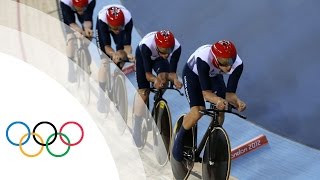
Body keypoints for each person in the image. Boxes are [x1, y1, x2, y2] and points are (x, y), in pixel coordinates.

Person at [172, 40, 247, 161]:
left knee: (220, 110)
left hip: (213, 75)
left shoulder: (238, 65)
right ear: (215, 58)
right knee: (198, 111)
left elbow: (230, 94)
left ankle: (212, 141)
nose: (228, 67)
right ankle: (179, 140)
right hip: (193, 75)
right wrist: (217, 100)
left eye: (230, 61)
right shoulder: (204, 58)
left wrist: (238, 102)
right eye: (224, 62)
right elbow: (206, 94)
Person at [132, 30, 183, 147]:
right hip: (143, 57)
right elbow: (148, 75)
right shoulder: (146, 46)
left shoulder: (176, 47)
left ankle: (157, 98)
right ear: (157, 45)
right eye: (164, 51)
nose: (167, 54)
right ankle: (137, 126)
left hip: (157, 58)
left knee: (164, 78)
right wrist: (155, 80)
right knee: (144, 93)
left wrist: (175, 80)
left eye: (168, 51)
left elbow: (172, 72)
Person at [95, 4, 135, 113]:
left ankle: (117, 76)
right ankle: (101, 96)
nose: (117, 30)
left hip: (119, 23)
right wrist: (113, 55)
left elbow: (127, 45)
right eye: (115, 29)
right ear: (109, 25)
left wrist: (127, 54)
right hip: (103, 27)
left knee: (122, 56)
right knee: (105, 61)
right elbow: (107, 46)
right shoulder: (103, 21)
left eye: (119, 28)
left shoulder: (127, 20)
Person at [60, 0, 96, 82]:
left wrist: (86, 30)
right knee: (71, 38)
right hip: (68, 9)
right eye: (79, 9)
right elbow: (72, 24)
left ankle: (85, 48)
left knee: (89, 33)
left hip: (83, 5)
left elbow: (87, 21)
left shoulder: (91, 2)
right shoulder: (65, 3)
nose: (81, 12)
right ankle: (71, 67)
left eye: (83, 8)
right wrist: (79, 31)